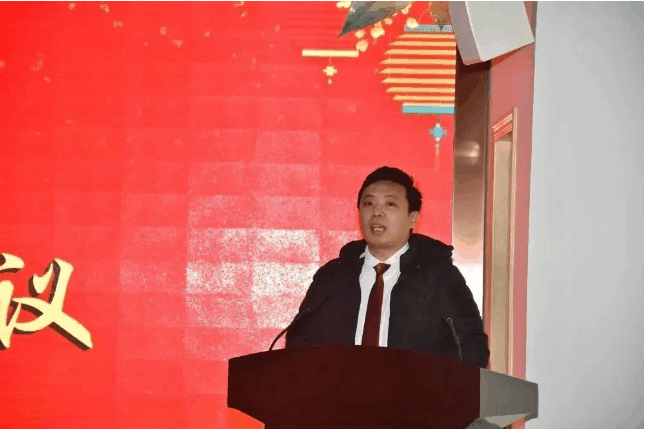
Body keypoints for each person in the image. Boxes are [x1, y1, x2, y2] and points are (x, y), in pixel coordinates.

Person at [285, 166, 489, 368]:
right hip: (340, 388)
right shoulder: (333, 276)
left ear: (413, 218)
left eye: (390, 203)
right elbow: (301, 343)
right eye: (368, 203)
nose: (376, 212)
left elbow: (471, 346)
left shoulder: (439, 276)